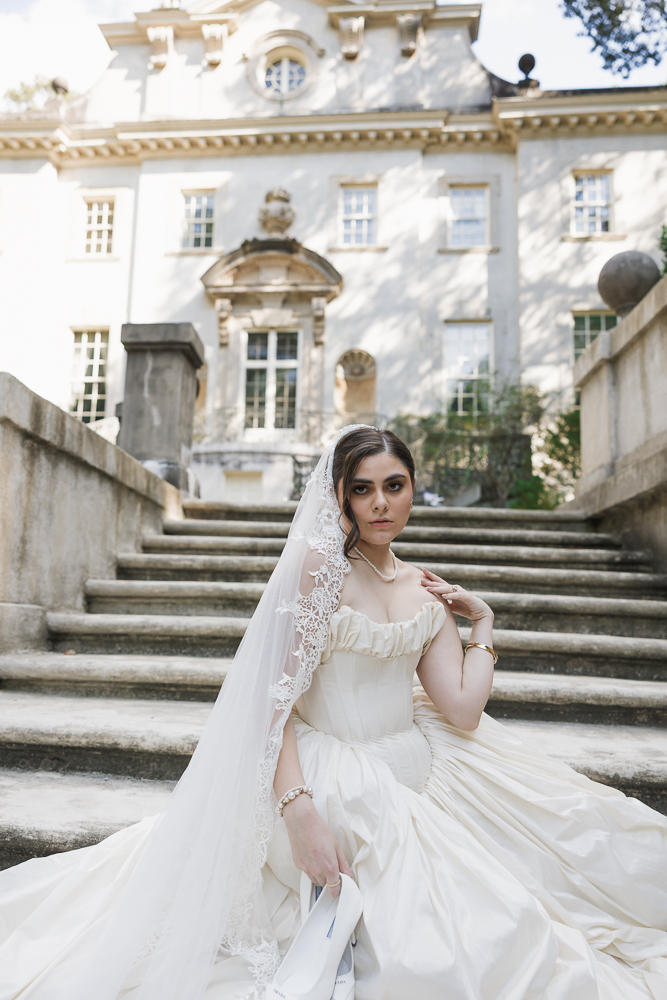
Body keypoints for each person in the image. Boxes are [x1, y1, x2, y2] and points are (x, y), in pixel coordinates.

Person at [1, 424, 667, 1000]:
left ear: (412, 488)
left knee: (570, 855)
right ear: (339, 495)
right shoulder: (317, 570)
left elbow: (461, 710)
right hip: (332, 774)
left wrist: (483, 624)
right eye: (362, 488)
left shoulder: (423, 588)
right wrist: (298, 808)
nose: (380, 503)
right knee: (450, 939)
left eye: (395, 485)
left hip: (424, 766)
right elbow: (270, 705)